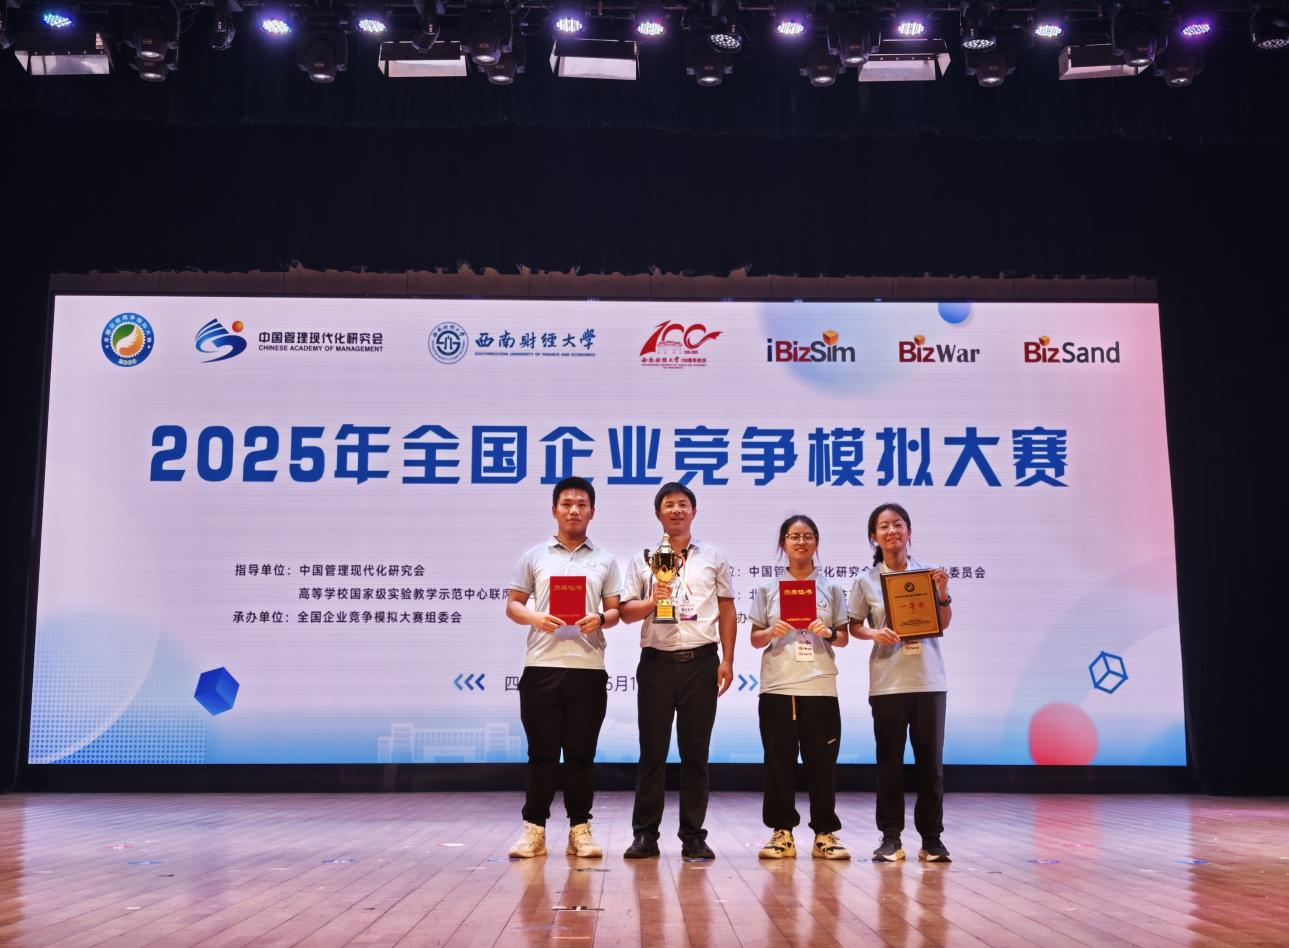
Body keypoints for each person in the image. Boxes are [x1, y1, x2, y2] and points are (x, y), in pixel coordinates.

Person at [504, 476, 622, 859]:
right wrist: (535, 618)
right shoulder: (534, 556)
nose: (574, 510)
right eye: (567, 504)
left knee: (580, 755)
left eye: (582, 504)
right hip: (541, 665)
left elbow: (615, 611)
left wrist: (599, 618)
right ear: (554, 510)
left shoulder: (605, 560)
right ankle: (534, 831)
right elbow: (513, 605)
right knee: (541, 754)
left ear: (593, 512)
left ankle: (580, 831)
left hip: (588, 667)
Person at [618, 482, 736, 860]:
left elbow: (727, 609)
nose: (676, 510)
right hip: (656, 662)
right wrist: (655, 599)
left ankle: (693, 836)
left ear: (693, 512)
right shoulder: (643, 558)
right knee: (652, 753)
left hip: (701, 662)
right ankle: (645, 835)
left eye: (683, 504)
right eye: (669, 505)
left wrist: (728, 660)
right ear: (658, 514)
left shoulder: (713, 556)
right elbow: (626, 612)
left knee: (695, 753)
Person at [847, 502, 953, 863]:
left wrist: (942, 592)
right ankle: (890, 837)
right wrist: (874, 633)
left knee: (930, 764)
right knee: (889, 763)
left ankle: (932, 840)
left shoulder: (927, 575)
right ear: (873, 537)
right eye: (883, 526)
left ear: (908, 531)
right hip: (888, 683)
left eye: (898, 525)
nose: (891, 531)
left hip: (928, 681)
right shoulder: (866, 580)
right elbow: (854, 625)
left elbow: (944, 622)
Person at [749, 515, 852, 861]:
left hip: (820, 686)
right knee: (778, 762)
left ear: (816, 543)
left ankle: (825, 833)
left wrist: (828, 632)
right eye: (794, 536)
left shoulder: (831, 589)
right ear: (783, 544)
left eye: (808, 536)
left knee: (823, 763)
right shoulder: (768, 589)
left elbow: (844, 637)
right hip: (778, 686)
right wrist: (771, 631)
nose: (801, 542)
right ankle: (782, 833)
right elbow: (755, 638)